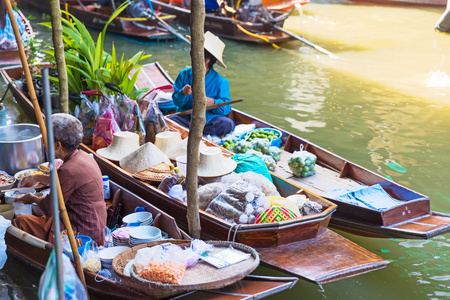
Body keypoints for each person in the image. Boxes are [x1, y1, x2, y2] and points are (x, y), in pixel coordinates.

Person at [14, 113, 107, 245]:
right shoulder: (83, 156)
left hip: (82, 233)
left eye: (46, 141)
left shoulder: (69, 169)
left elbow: (49, 208)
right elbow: (61, 180)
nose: (44, 145)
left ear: (57, 145)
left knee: (20, 222)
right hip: (95, 225)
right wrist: (36, 177)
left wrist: (33, 198)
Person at [170, 31, 235, 138]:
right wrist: (182, 93)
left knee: (227, 124)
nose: (192, 55)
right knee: (171, 120)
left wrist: (213, 102)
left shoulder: (221, 81)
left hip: (208, 121)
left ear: (208, 60)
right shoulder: (184, 74)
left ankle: (195, 134)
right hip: (186, 119)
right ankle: (198, 134)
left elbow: (226, 108)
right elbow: (176, 102)